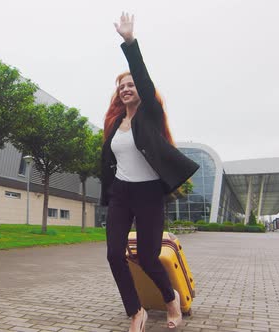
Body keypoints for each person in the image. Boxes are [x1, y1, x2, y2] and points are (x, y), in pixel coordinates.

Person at [101, 12, 200, 331]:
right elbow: (112, 160)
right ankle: (136, 312)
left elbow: (144, 78)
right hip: (121, 193)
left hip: (148, 194)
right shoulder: (116, 124)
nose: (127, 89)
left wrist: (129, 42)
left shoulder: (151, 116)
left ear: (141, 90)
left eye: (131, 85)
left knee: (147, 255)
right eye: (122, 87)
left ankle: (170, 299)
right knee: (115, 255)